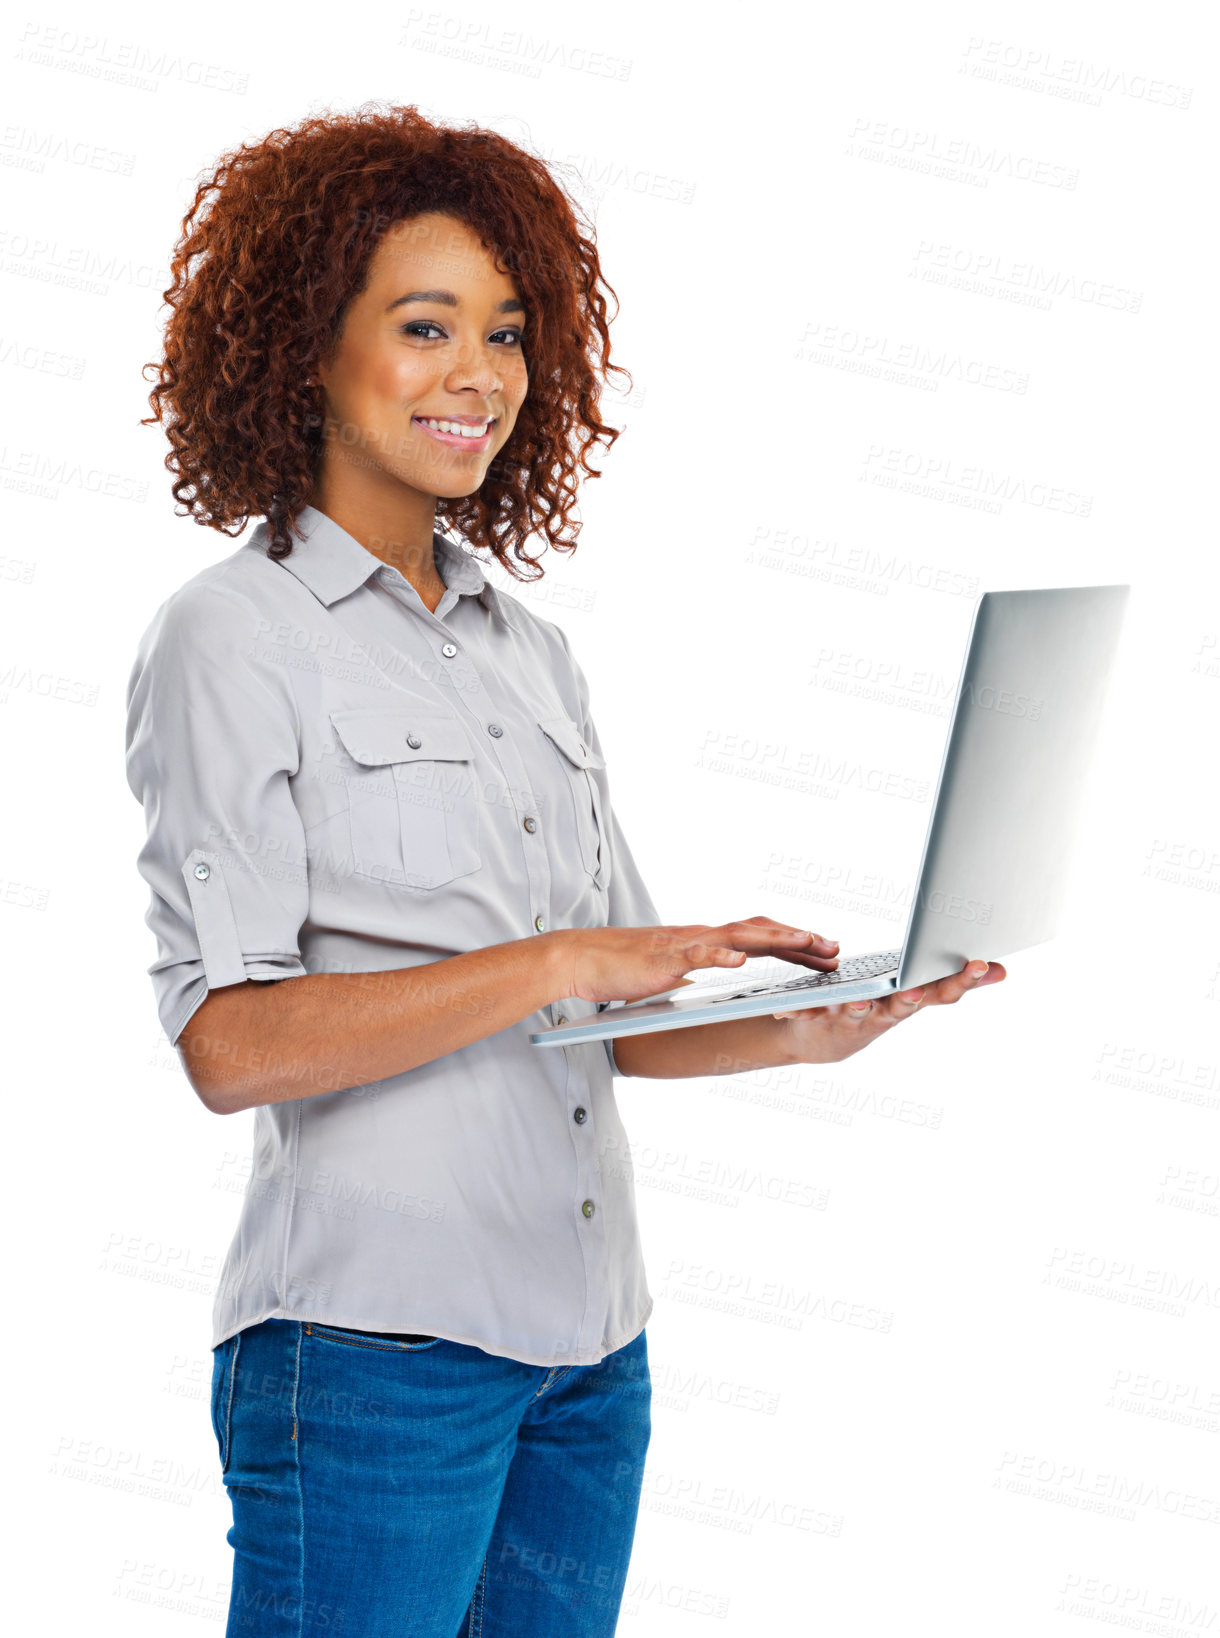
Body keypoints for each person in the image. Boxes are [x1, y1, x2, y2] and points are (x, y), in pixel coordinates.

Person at [125, 103, 1005, 1638]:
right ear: (305, 351)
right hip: (374, 1360)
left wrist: (816, 1024)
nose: (481, 374)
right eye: (425, 326)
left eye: (510, 331)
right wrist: (555, 962)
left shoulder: (531, 655)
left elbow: (606, 1014)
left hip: (592, 1355)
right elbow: (231, 1044)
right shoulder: (231, 637)